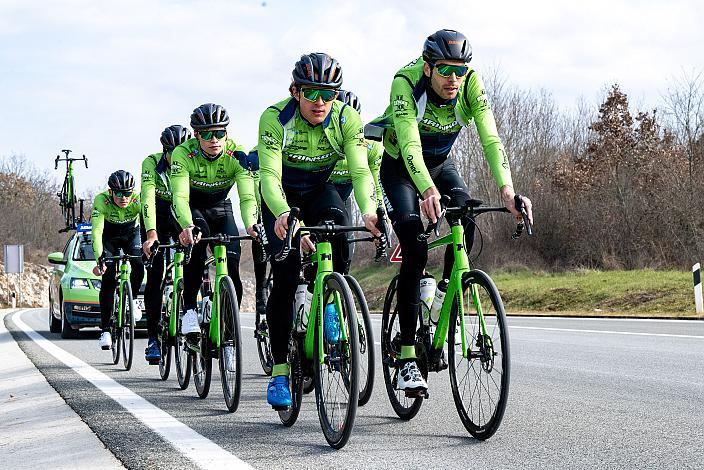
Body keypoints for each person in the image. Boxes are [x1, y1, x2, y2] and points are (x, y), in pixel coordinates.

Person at [367, 29, 533, 392]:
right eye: (445, 70)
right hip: (401, 169)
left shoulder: (470, 84)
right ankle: (408, 356)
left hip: (442, 164)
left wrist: (508, 190)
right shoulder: (405, 84)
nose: (454, 79)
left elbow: (491, 137)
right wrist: (426, 189)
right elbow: (409, 142)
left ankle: (443, 295)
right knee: (413, 245)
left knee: (467, 216)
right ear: (428, 69)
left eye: (460, 70)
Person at [258, 52, 380, 408]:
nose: (321, 102)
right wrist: (281, 214)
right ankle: (280, 370)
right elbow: (268, 176)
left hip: (320, 190)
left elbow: (359, 171)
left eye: (329, 94)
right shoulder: (274, 118)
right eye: (312, 93)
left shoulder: (346, 118)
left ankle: (329, 302)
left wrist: (370, 212)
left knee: (340, 229)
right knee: (284, 278)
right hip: (281, 196)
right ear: (296, 92)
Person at [171, 103, 258, 349]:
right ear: (196, 135)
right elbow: (179, 197)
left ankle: (229, 332)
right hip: (194, 208)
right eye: (207, 134)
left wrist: (251, 223)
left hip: (221, 208)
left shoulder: (236, 153)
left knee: (233, 265)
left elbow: (247, 196)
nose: (214, 139)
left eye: (220, 133)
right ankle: (188, 310)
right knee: (197, 247)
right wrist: (186, 225)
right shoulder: (182, 154)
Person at [140, 124, 192, 363]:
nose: (178, 155)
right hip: (158, 217)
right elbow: (147, 198)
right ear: (165, 150)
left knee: (195, 263)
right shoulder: (151, 163)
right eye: (173, 151)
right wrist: (151, 234)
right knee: (155, 274)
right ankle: (152, 338)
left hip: (182, 214)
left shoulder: (193, 158)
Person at [328, 89, 384, 272]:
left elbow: (375, 186)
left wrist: (380, 216)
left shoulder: (371, 148)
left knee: (345, 256)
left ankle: (337, 290)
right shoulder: (324, 145)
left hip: (345, 200)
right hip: (317, 196)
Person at [91, 170, 144, 350]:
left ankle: (134, 299)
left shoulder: (138, 199)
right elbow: (97, 232)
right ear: (111, 191)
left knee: (138, 263)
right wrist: (100, 257)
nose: (124, 198)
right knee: (108, 278)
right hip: (109, 237)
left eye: (128, 193)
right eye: (119, 193)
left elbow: (148, 222)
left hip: (131, 234)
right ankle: (105, 330)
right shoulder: (101, 200)